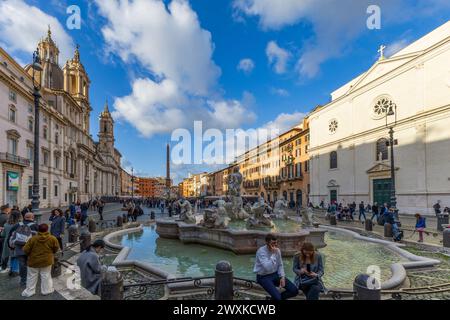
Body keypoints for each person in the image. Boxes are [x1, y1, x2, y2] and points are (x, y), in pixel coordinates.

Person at [253, 234, 298, 300]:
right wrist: (273, 254)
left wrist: (282, 276)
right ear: (267, 242)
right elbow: (267, 267)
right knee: (278, 298)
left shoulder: (277, 250)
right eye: (273, 243)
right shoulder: (261, 252)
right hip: (263, 277)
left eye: (276, 242)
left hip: (275, 274)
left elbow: (280, 265)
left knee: (294, 290)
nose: (275, 245)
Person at [21, 223, 60, 297]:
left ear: (38, 230)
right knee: (46, 275)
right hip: (47, 260)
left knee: (31, 276)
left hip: (33, 260)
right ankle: (46, 290)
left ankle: (30, 291)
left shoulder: (33, 239)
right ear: (47, 229)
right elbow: (56, 248)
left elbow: (25, 250)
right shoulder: (52, 238)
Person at [7, 212, 38, 286]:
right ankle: (31, 280)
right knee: (31, 264)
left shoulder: (17, 225)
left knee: (22, 264)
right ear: (32, 218)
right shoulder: (35, 226)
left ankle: (23, 280)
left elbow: (10, 236)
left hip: (19, 249)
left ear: (24, 217)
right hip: (31, 249)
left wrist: (11, 246)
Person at [1, 210, 21, 274]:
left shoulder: (6, 224)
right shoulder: (20, 225)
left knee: (8, 256)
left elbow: (2, 235)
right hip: (16, 242)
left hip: (7, 242)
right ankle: (14, 270)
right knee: (15, 256)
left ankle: (9, 268)